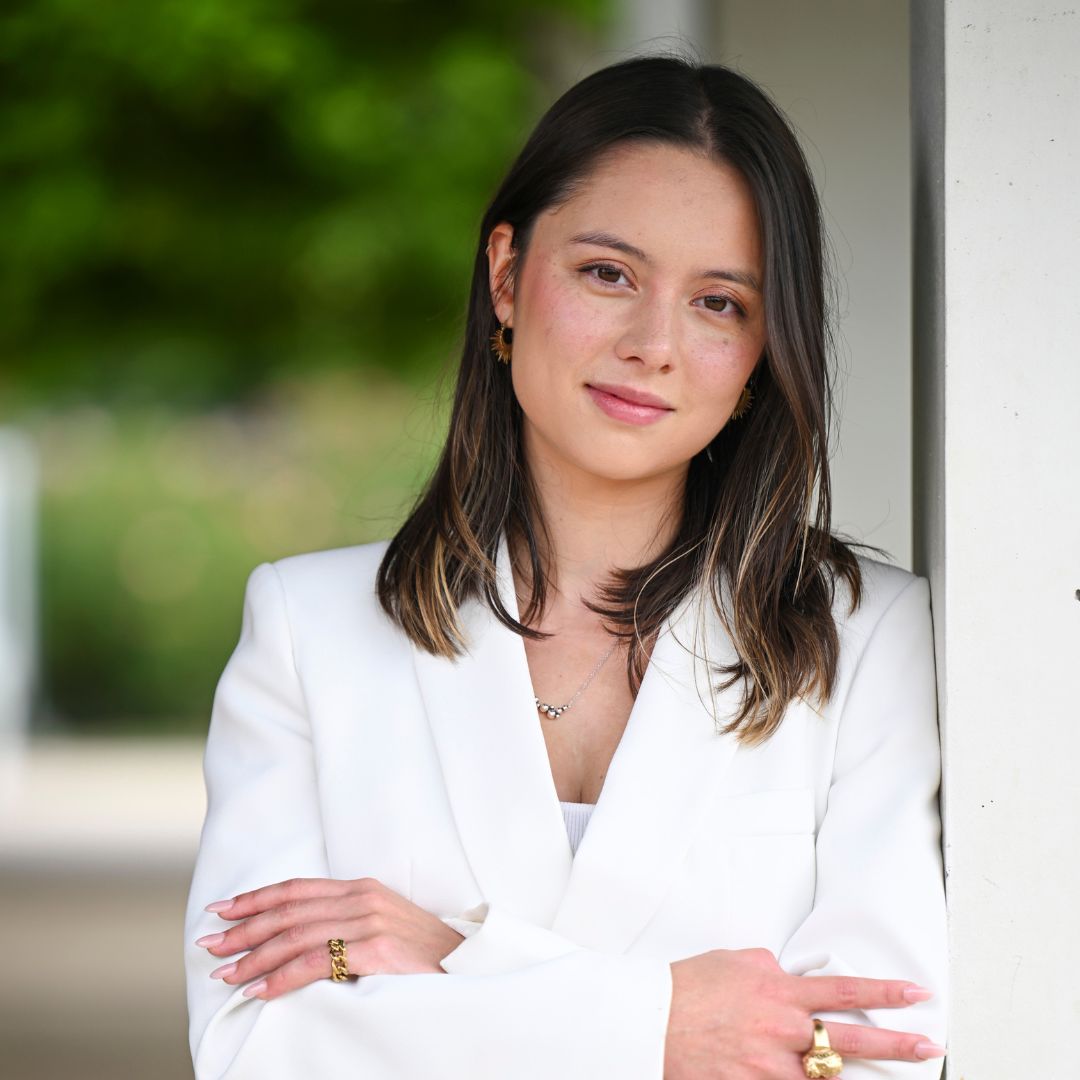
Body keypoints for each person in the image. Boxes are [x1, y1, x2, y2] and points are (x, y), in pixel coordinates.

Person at [184, 53, 948, 1079]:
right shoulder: (308, 627)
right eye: (608, 274)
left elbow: (875, 1058)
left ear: (767, 347)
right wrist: (671, 1027)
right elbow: (258, 1048)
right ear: (506, 276)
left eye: (719, 303)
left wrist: (459, 956)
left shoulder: (867, 638)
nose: (653, 344)